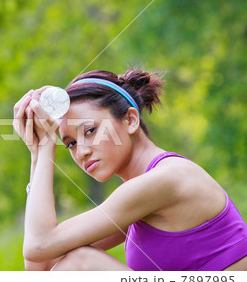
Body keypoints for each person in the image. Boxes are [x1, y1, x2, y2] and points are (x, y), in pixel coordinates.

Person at [12, 69, 247, 271]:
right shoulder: (137, 202)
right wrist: (37, 155)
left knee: (80, 264)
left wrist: (45, 150)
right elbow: (40, 263)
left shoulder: (166, 179)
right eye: (70, 143)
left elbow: (39, 246)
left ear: (131, 120)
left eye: (91, 131)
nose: (81, 151)